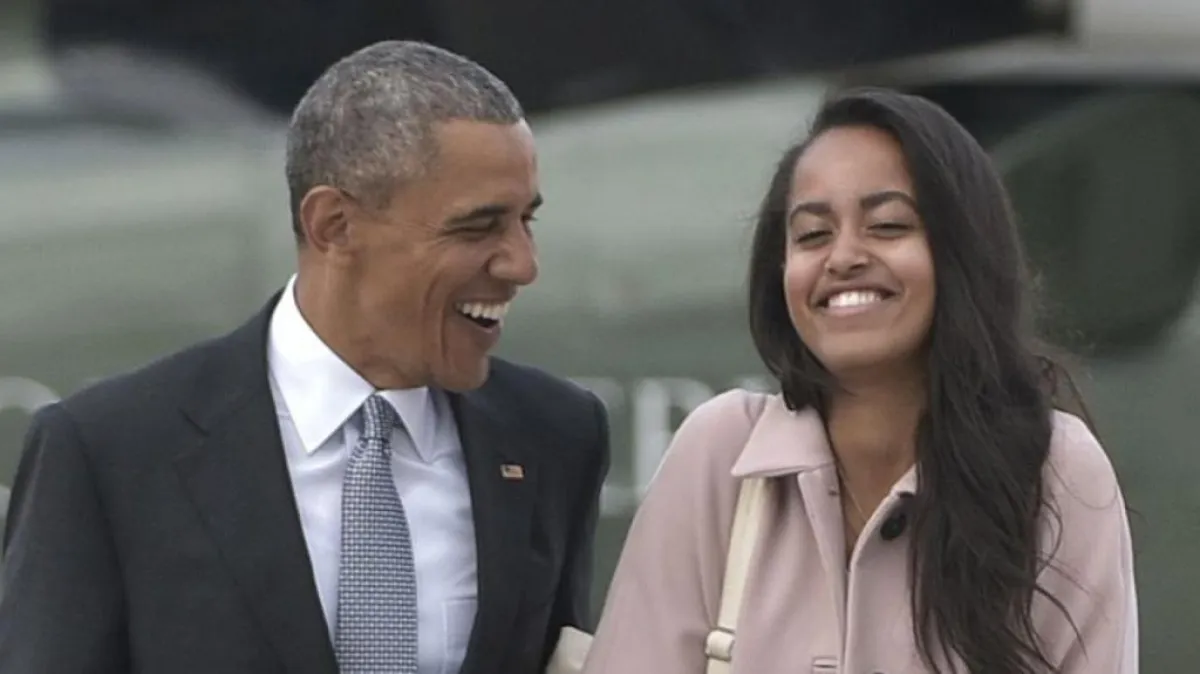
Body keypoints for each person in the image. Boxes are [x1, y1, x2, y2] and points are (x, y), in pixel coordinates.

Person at [0, 40, 610, 674]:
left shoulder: (555, 434)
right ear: (333, 225)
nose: (522, 264)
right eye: (478, 227)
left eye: (526, 221)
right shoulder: (111, 450)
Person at [582, 88, 1136, 673]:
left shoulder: (1055, 470)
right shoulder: (720, 451)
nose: (843, 257)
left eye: (888, 225)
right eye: (812, 235)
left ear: (961, 251)